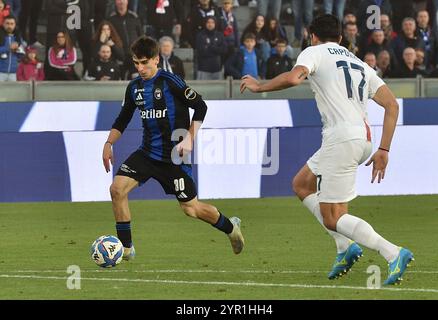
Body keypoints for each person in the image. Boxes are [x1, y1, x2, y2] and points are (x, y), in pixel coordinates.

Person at [240, 14, 414, 285]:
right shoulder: (359, 62)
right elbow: (392, 105)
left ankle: (393, 253)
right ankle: (345, 248)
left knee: (334, 217)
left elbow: (296, 78)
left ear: (312, 35)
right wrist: (384, 149)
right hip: (363, 138)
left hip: (342, 138)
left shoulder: (314, 52)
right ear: (341, 38)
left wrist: (260, 85)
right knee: (302, 184)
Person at [102, 36, 244, 261]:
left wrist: (189, 138)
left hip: (174, 157)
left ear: (156, 59)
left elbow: (200, 106)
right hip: (147, 153)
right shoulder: (134, 88)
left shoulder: (170, 82)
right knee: (116, 189)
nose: (140, 68)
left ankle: (230, 227)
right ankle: (126, 248)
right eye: (136, 63)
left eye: (144, 62)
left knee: (191, 209)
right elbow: (123, 119)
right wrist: (109, 143)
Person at [0, 15, 25, 81]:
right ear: (3, 24)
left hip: (13, 73)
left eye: (12, 24)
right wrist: (8, 48)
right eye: (7, 23)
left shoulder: (18, 38)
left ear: (15, 25)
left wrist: (17, 50)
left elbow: (21, 56)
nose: (9, 26)